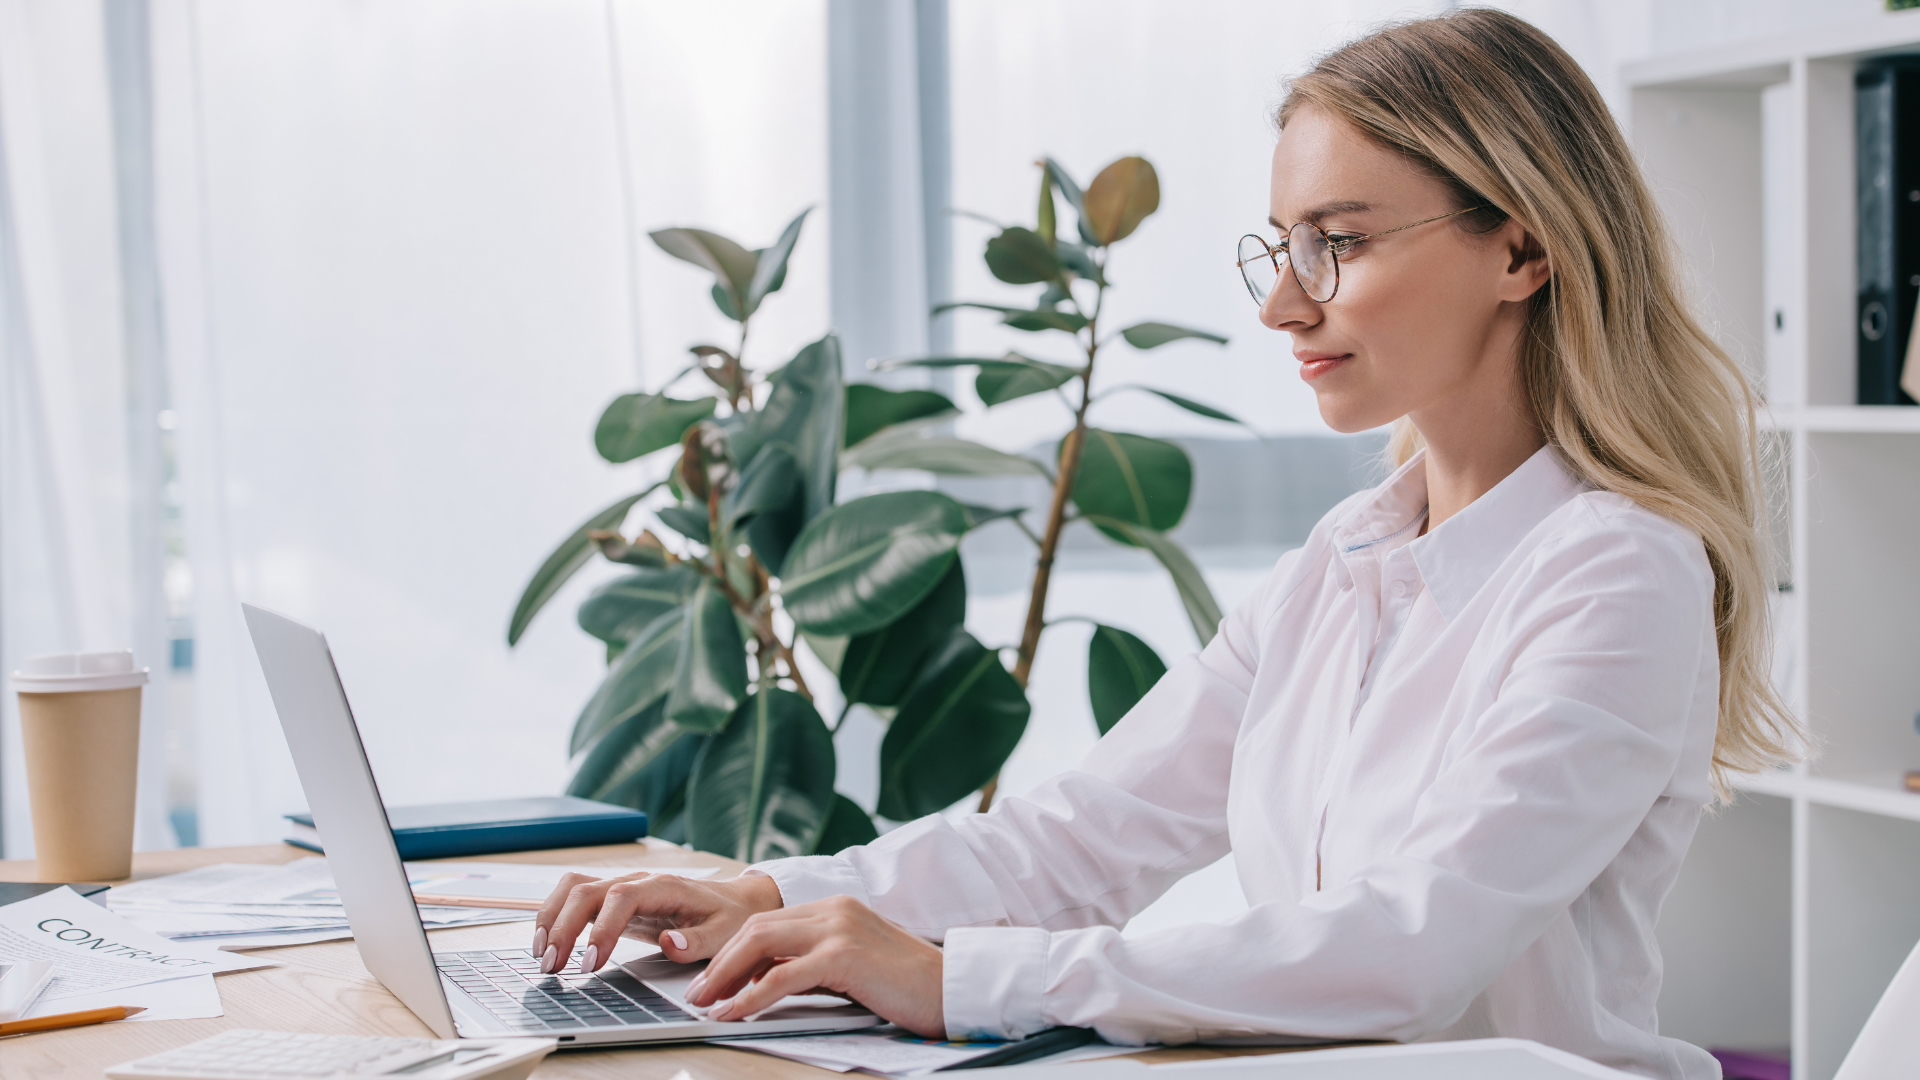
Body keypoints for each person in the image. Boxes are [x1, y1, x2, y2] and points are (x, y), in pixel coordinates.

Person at [531, 10, 1795, 1078]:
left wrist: (954, 976)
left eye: (1337, 244)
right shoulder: (1348, 559)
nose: (1281, 302)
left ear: (1522, 246)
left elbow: (1411, 951)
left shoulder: (1619, 571)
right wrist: (771, 896)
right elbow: (1086, 834)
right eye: (1284, 245)